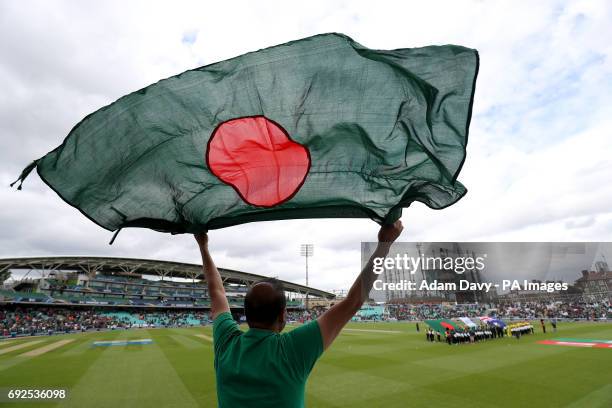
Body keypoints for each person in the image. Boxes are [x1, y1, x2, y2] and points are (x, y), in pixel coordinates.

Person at [195, 220, 403, 408]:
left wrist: (203, 245)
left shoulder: (226, 343)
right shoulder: (291, 351)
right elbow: (354, 301)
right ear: (283, 315)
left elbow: (216, 291)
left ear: (246, 314)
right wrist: (384, 245)